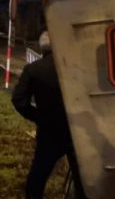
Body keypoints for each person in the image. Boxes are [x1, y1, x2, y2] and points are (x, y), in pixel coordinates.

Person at [11, 31, 86, 199]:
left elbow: (18, 100)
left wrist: (39, 116)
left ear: (42, 47)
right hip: (77, 130)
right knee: (82, 177)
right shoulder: (75, 68)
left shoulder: (33, 69)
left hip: (49, 131)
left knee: (38, 175)